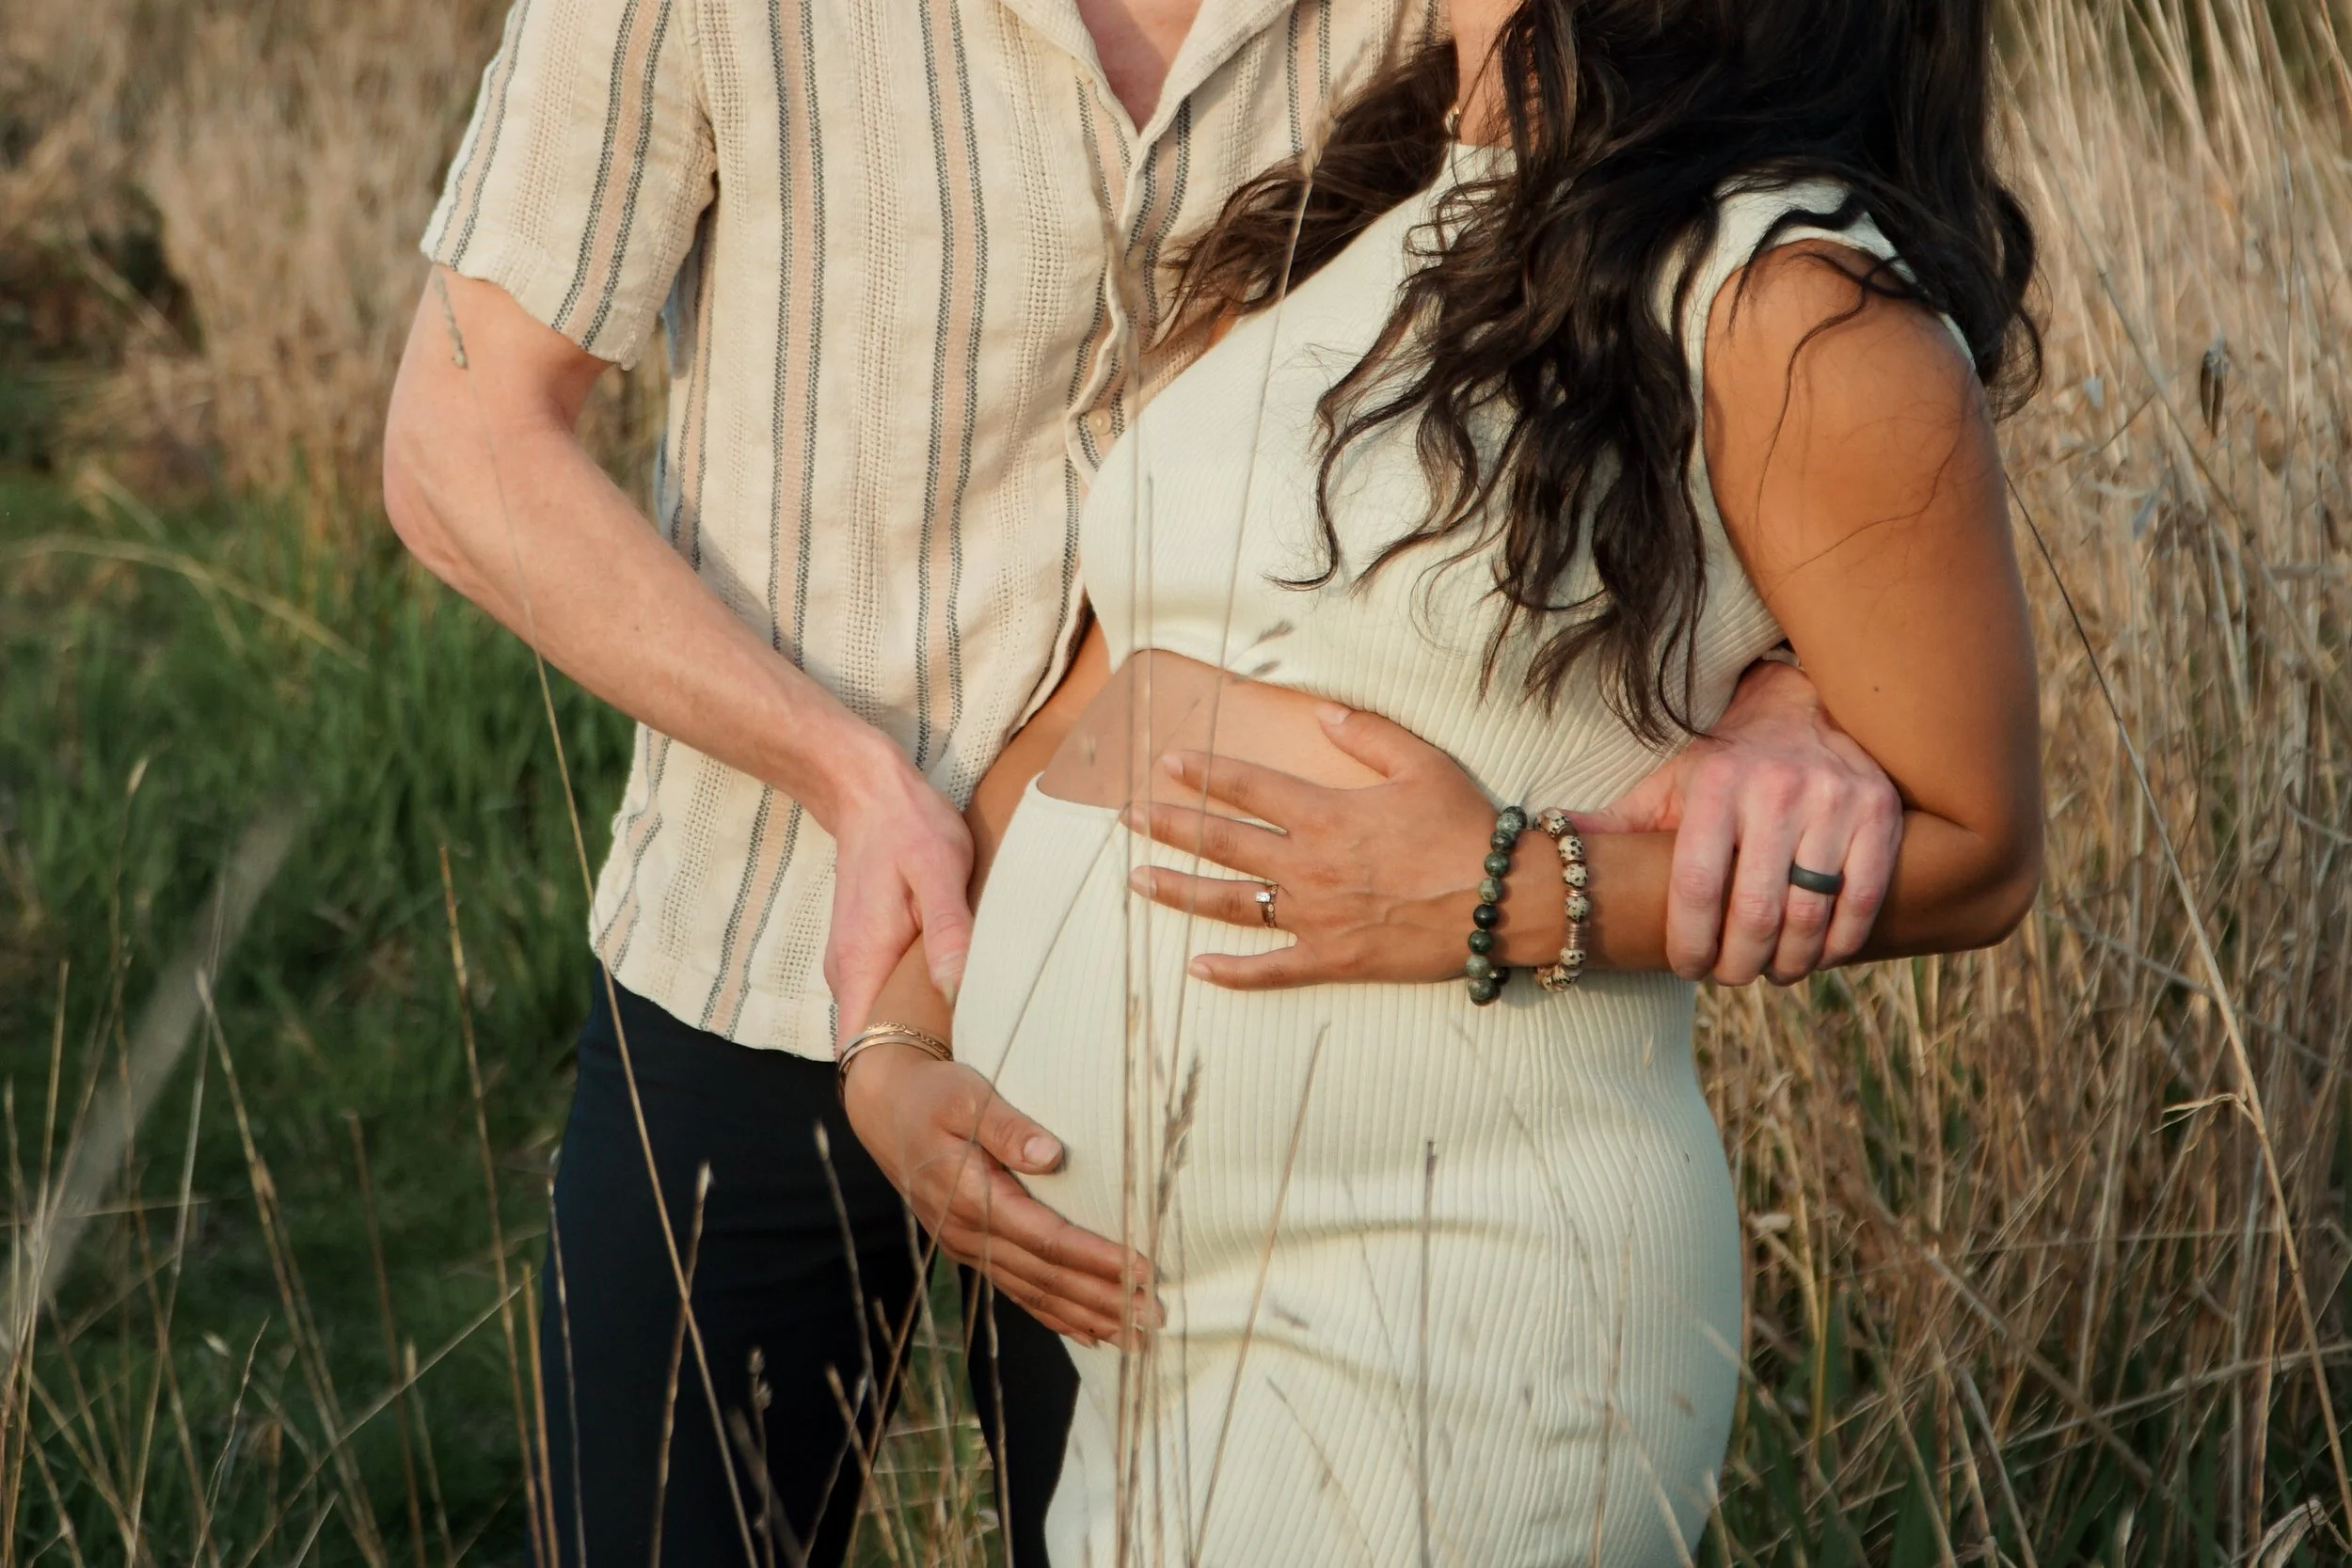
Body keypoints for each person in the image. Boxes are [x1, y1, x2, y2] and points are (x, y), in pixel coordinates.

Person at [382, 1, 1908, 1563]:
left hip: (1231, 1074)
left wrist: (1789, 684)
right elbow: (461, 443)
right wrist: (846, 775)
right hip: (750, 956)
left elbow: (1738, 272)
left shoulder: (1440, 11)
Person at [840, 0, 2042, 1560]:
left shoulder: (1790, 301)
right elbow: (1099, 699)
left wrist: (1504, 892)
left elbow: (1981, 844)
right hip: (1139, 1350)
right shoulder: (1360, 217)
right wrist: (898, 1046)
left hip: (1453, 1298)